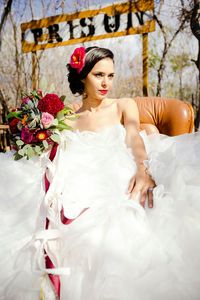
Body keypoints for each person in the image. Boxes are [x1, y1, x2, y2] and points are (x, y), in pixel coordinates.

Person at [0, 46, 200, 300]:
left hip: (116, 166)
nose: (106, 83)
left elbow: (132, 134)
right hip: (77, 174)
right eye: (98, 75)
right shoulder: (68, 117)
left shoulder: (123, 105)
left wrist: (142, 169)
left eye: (111, 75)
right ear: (83, 75)